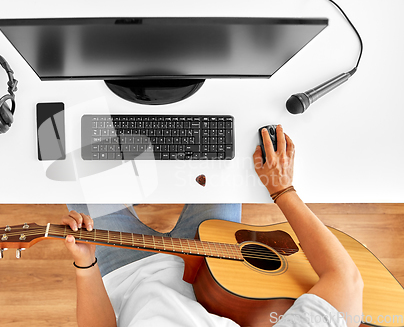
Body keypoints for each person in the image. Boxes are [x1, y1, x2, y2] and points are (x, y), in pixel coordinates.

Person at [62, 125, 363, 327]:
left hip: (124, 276)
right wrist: (281, 189)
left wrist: (86, 265)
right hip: (215, 269)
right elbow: (346, 281)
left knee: (76, 144)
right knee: (222, 138)